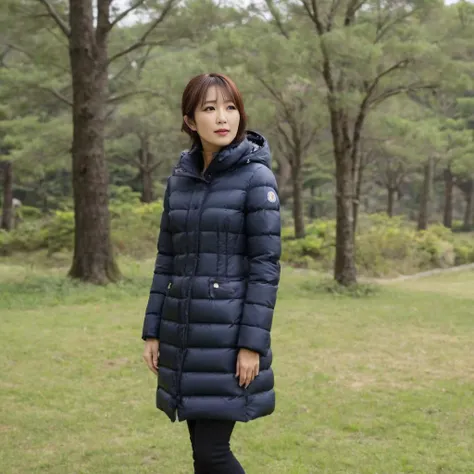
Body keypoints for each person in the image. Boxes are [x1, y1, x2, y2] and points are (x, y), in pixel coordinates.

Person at [142, 72, 281, 474]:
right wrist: (152, 330)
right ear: (190, 120)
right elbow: (166, 258)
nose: (223, 117)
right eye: (209, 108)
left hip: (228, 337)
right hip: (183, 335)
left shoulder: (256, 179)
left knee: (212, 452)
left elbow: (265, 267)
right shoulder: (180, 181)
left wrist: (251, 344)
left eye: (230, 107)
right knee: (201, 454)